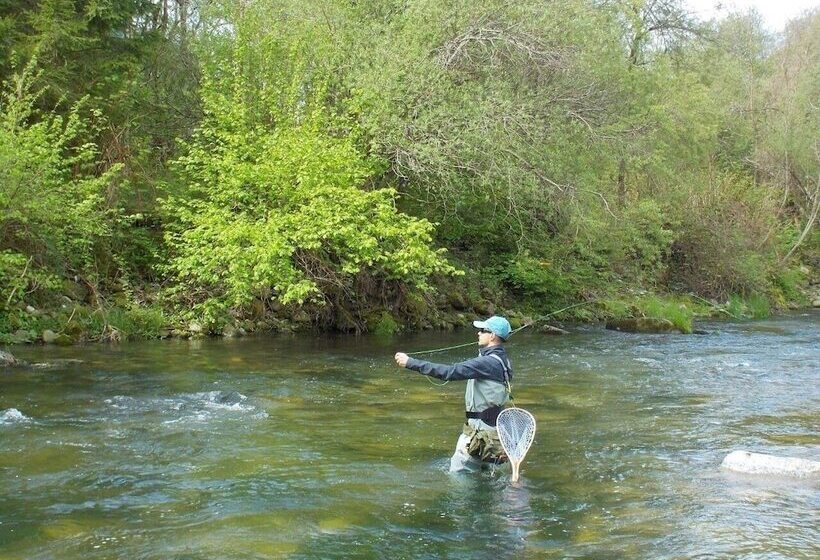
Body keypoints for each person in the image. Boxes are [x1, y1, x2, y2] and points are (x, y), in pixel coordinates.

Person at [394, 315, 513, 472]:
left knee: (458, 473)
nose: (478, 333)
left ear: (492, 336)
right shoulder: (502, 360)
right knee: (487, 474)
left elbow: (449, 372)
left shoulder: (487, 363)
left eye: (482, 330)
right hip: (494, 432)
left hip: (479, 433)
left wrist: (411, 363)